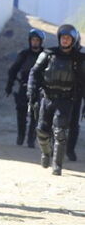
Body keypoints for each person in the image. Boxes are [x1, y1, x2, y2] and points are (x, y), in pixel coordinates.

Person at [28, 24, 85, 176]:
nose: (65, 40)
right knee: (42, 131)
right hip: (47, 98)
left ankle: (57, 166)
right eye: (63, 38)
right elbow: (34, 72)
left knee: (60, 132)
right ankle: (46, 153)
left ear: (73, 40)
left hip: (66, 100)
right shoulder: (48, 54)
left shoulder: (79, 59)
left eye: (68, 38)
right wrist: (31, 91)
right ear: (59, 38)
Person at [5, 28, 45, 147]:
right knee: (21, 112)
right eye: (33, 40)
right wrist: (9, 86)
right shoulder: (24, 54)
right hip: (24, 87)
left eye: (37, 40)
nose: (35, 42)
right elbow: (13, 70)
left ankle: (31, 140)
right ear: (30, 41)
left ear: (41, 41)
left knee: (36, 115)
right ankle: (20, 136)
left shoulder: (46, 55)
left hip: (39, 89)